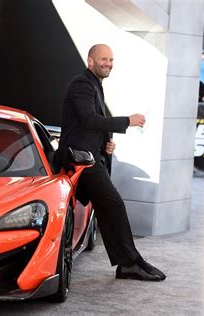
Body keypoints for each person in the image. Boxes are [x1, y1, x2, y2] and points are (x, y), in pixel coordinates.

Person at [56, 44, 166, 281]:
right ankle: (131, 263)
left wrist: (106, 142)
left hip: (88, 156)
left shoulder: (94, 84)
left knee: (109, 207)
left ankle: (129, 263)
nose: (108, 63)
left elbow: (91, 122)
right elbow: (89, 119)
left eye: (111, 60)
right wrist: (128, 121)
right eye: (104, 59)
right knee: (113, 205)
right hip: (79, 160)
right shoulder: (82, 84)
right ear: (90, 61)